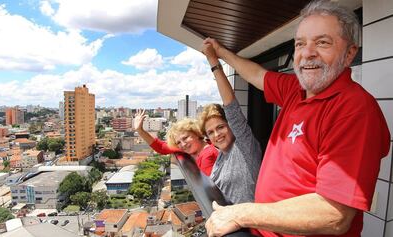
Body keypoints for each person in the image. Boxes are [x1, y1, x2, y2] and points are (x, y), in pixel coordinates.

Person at [202, 0, 391, 237]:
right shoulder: (296, 89)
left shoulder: (355, 108)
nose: (307, 53)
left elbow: (334, 214)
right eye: (300, 44)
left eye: (322, 42)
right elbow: (257, 74)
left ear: (349, 53)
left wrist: (241, 213)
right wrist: (219, 54)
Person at [199, 46, 262, 205]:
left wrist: (213, 62)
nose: (217, 134)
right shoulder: (220, 157)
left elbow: (231, 106)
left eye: (220, 127)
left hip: (253, 227)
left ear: (231, 125)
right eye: (211, 132)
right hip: (231, 224)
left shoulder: (244, 147)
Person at [134, 109, 217, 176]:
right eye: (178, 142)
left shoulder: (208, 154)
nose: (183, 144)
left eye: (185, 138)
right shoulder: (191, 147)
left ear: (196, 133)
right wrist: (140, 130)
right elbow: (161, 147)